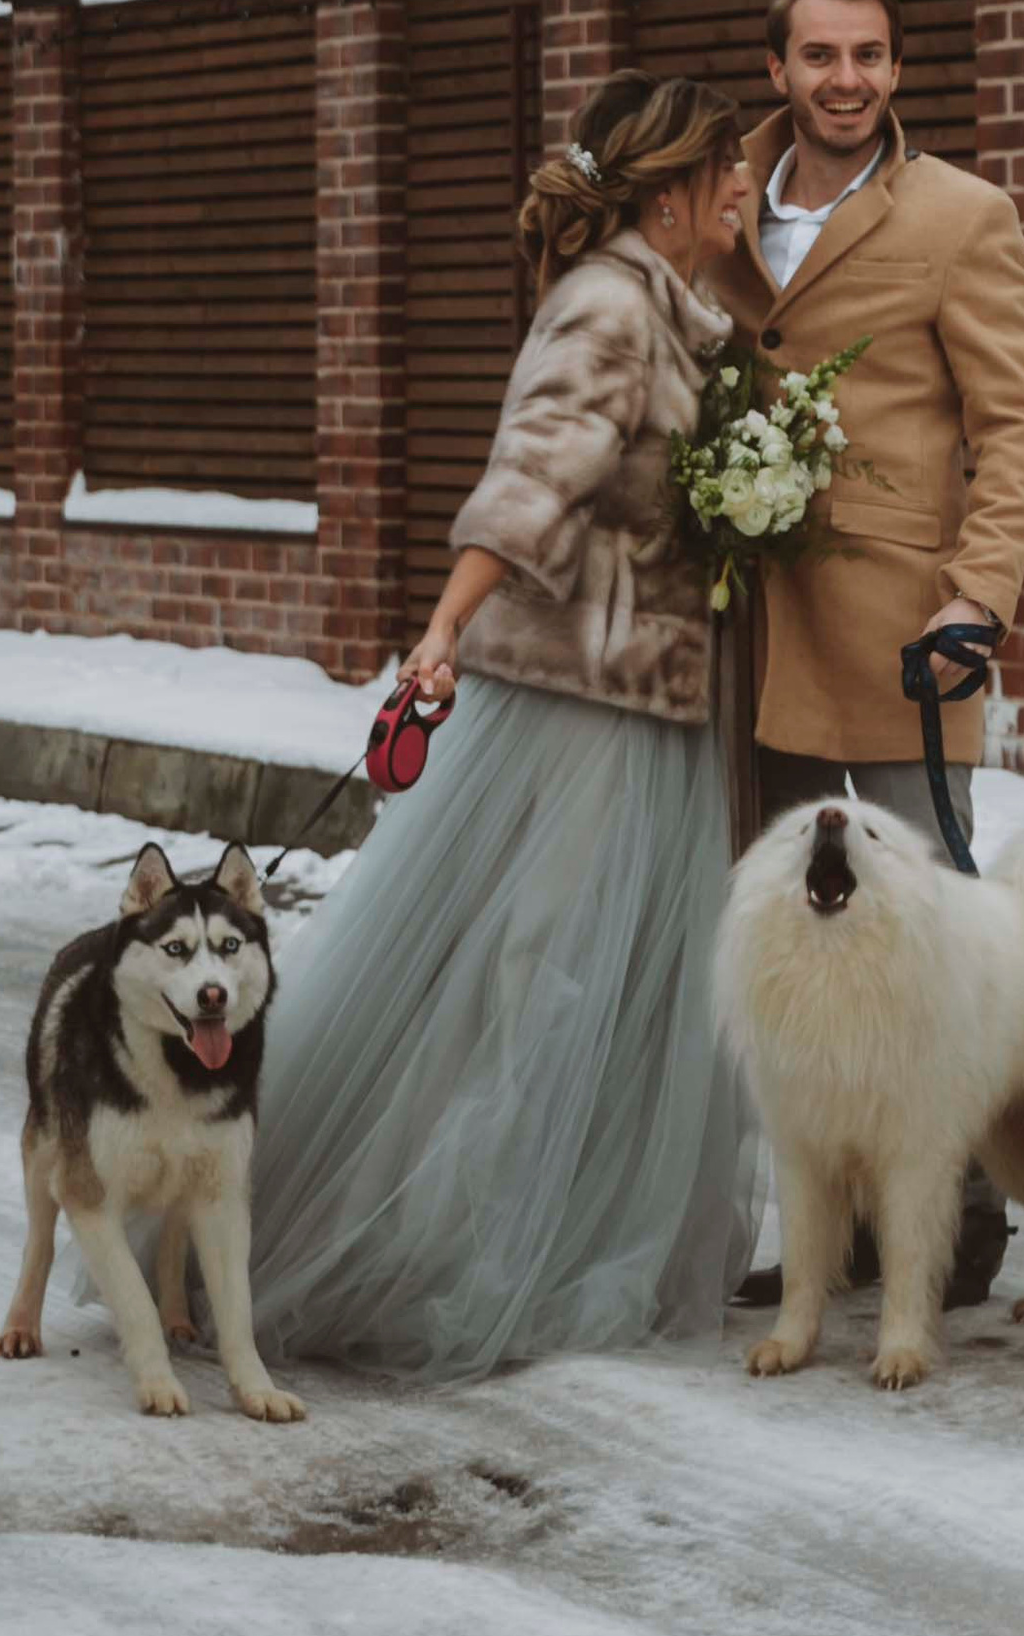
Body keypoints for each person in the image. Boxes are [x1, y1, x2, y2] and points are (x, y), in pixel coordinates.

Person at [246, 72, 763, 1380]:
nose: (751, 182)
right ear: (668, 190)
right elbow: (533, 474)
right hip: (582, 708)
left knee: (611, 991)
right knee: (545, 979)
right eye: (729, 168)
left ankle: (548, 1232)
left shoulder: (678, 304)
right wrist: (440, 628)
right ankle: (447, 1250)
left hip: (649, 703)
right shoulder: (609, 307)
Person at [708, 0, 1024, 1310]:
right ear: (778, 67)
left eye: (868, 57)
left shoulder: (963, 215)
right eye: (819, 56)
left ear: (897, 69)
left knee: (927, 941)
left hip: (912, 634)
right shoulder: (716, 198)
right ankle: (829, 1228)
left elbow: (1014, 424)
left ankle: (962, 1214)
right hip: (747, 631)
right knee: (798, 947)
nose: (844, 80)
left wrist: (980, 595)